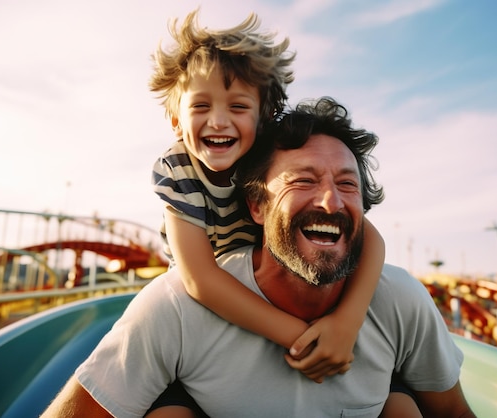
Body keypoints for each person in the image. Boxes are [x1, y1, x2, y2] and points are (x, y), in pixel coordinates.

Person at [41, 97, 476, 417]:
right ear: (257, 206)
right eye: (302, 180)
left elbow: (454, 413)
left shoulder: (398, 300)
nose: (331, 201)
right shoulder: (177, 307)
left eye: (348, 186)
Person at [148, 10, 387, 413]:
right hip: (204, 313)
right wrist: (302, 335)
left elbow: (371, 238)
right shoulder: (179, 171)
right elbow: (200, 280)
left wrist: (346, 323)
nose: (218, 121)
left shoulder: (269, 165)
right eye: (200, 106)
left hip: (270, 284)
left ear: (263, 120)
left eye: (238, 107)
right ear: (176, 120)